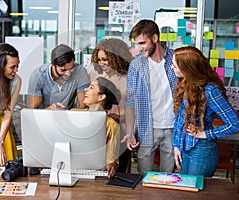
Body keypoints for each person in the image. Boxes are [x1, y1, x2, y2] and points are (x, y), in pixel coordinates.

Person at [172, 46, 239, 177]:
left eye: (175, 65)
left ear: (188, 68)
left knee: (195, 194)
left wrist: (206, 134)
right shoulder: (183, 83)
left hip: (202, 150)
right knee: (184, 191)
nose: (171, 68)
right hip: (184, 147)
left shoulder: (210, 90)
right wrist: (177, 145)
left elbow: (235, 124)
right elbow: (179, 119)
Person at [121, 19, 177, 175]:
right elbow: (130, 102)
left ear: (154, 38)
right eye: (137, 44)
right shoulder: (136, 66)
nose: (139, 48)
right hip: (147, 128)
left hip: (174, 128)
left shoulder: (176, 60)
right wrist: (131, 131)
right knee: (143, 176)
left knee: (169, 177)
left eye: (142, 43)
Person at [89, 38, 133, 173]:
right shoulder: (93, 75)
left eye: (105, 59)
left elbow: (131, 105)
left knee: (119, 167)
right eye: (99, 59)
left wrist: (123, 121)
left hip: (122, 127)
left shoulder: (128, 77)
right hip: (99, 128)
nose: (101, 63)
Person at [73, 77, 121, 178]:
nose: (85, 89)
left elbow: (111, 159)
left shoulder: (111, 125)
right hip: (68, 172)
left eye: (91, 87)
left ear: (101, 97)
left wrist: (112, 166)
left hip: (93, 176)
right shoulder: (73, 114)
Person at [27, 44, 90, 109]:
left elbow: (83, 106)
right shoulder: (38, 76)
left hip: (69, 115)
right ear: (52, 65)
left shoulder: (80, 71)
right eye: (63, 70)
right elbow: (33, 110)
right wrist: (50, 110)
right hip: (44, 115)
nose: (68, 74)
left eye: (71, 68)